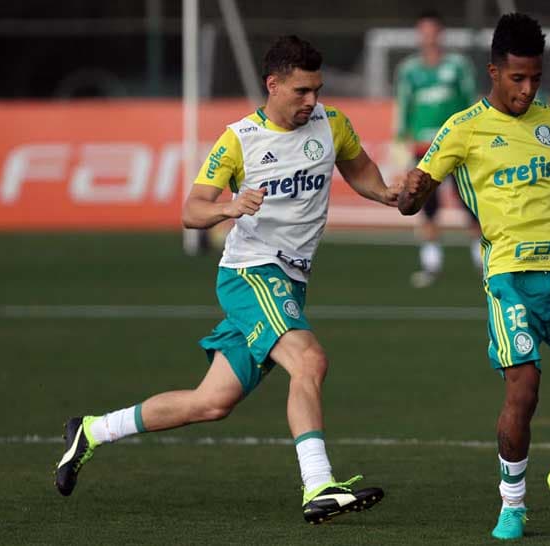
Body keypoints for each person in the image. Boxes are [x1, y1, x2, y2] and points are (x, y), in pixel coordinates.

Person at [54, 35, 398, 525]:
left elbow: (360, 169)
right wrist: (227, 207)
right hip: (252, 273)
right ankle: (318, 485)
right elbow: (192, 210)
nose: (312, 101)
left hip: (290, 280)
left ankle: (90, 431)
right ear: (272, 84)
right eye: (301, 91)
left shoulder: (332, 123)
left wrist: (385, 193)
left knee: (211, 403)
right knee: (310, 360)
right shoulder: (240, 139)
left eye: (317, 90)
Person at [398, 14, 550, 540]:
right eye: (517, 78)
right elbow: (413, 201)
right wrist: (409, 188)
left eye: (536, 79)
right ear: (494, 72)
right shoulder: (462, 128)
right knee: (524, 391)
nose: (527, 90)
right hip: (510, 278)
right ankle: (513, 505)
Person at [394, 10, 482, 288]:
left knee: (471, 203)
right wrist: (400, 141)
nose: (429, 37)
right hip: (423, 147)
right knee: (427, 205)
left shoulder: (458, 66)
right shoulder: (409, 70)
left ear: (440, 33)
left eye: (433, 31)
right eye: (424, 32)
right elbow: (403, 106)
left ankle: (484, 262)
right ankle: (431, 264)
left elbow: (471, 101)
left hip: (457, 146)